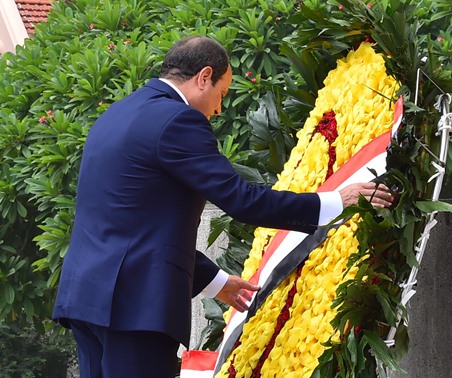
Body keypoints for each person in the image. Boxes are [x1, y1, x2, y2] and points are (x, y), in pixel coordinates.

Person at [52, 36, 394, 378]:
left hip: (87, 298)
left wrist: (216, 282)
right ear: (204, 77)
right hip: (134, 308)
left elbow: (132, 222)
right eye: (223, 93)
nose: (217, 109)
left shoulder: (116, 115)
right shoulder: (177, 120)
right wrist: (337, 201)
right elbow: (242, 201)